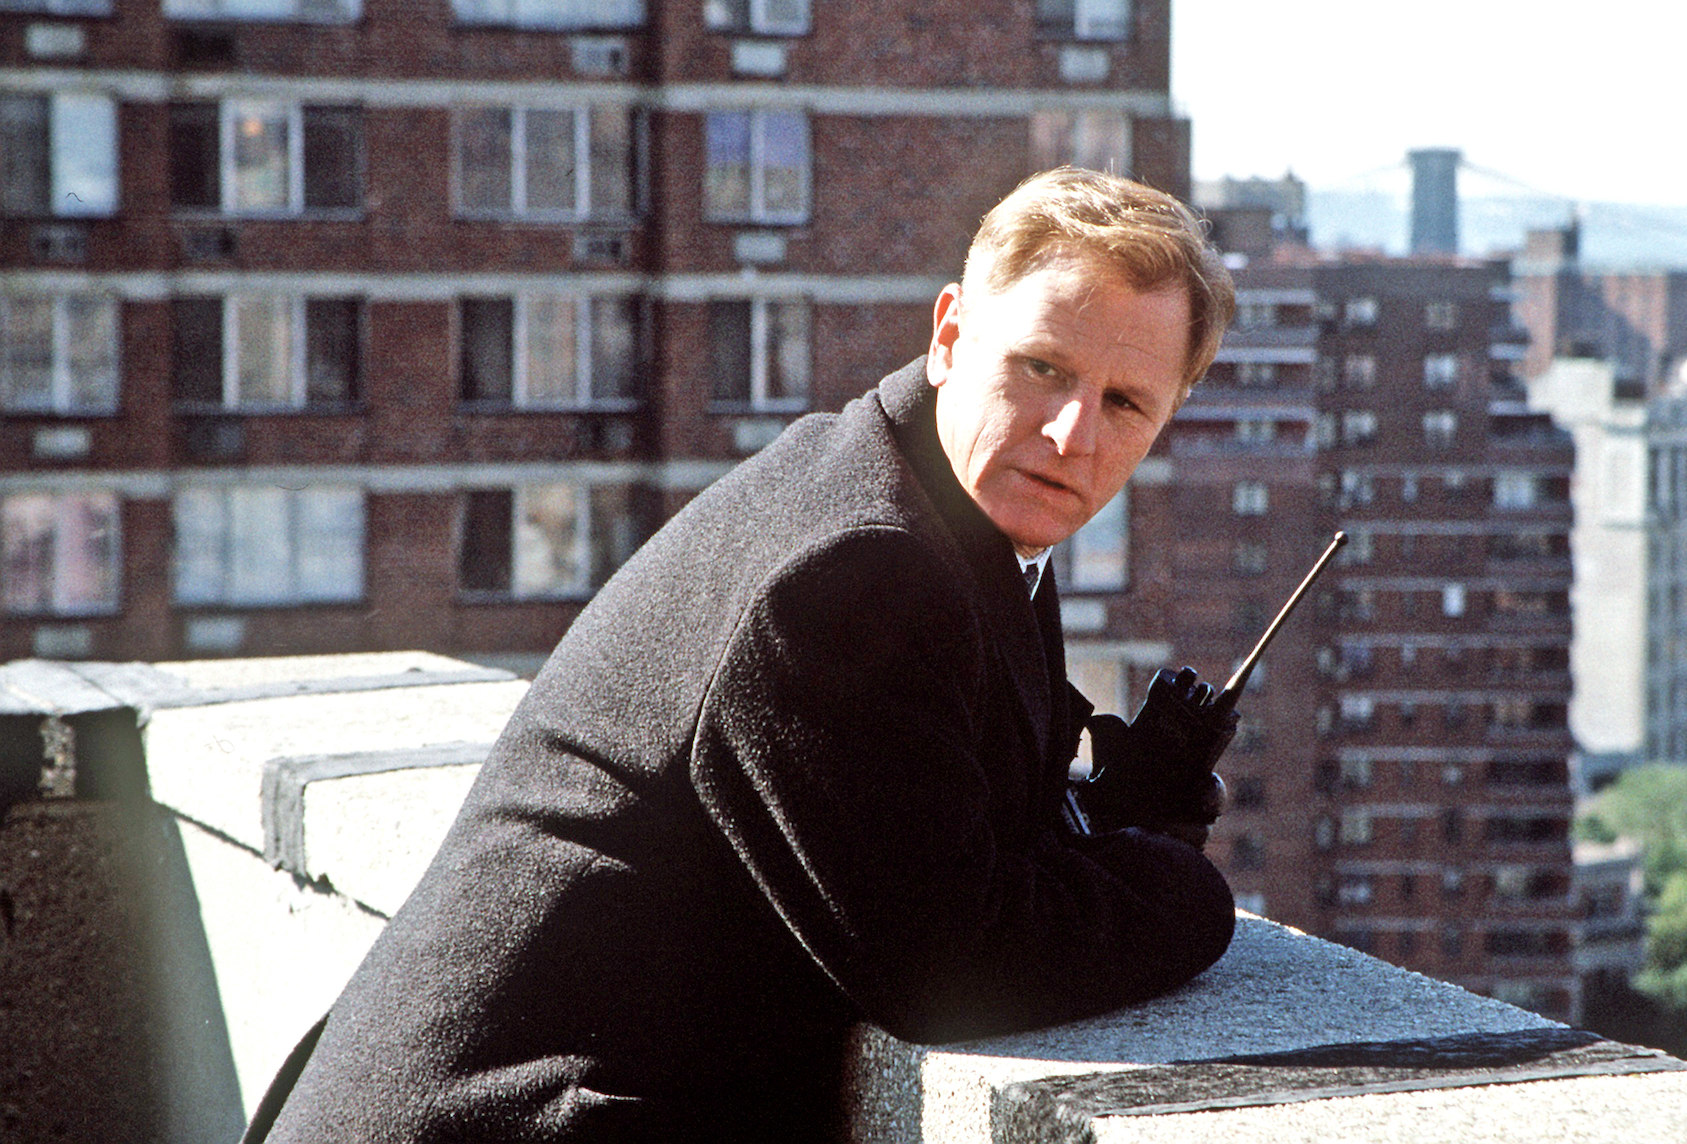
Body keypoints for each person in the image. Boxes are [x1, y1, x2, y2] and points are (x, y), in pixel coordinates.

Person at [255, 168, 1240, 1141]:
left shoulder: (937, 503)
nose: (1071, 433)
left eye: (1124, 403)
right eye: (1043, 369)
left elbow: (931, 823)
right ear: (949, 335)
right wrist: (1187, 889)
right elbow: (947, 963)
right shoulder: (861, 567)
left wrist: (1110, 814)